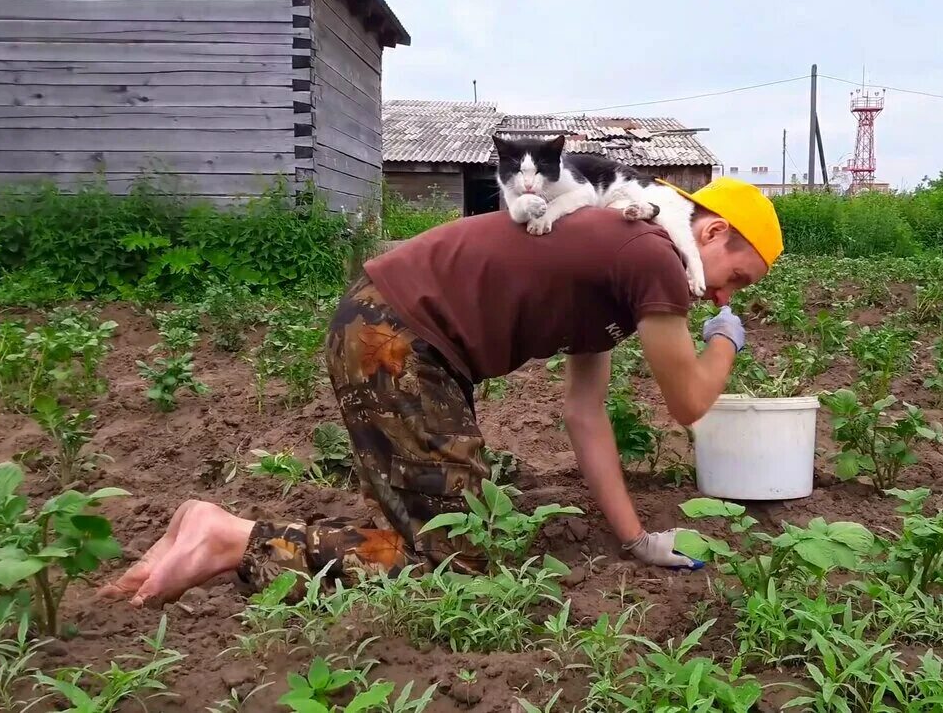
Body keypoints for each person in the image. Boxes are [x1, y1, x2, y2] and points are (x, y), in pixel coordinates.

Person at [99, 177, 783, 607]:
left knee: (435, 542)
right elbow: (689, 401)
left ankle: (238, 537)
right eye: (736, 278)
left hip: (389, 331)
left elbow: (585, 415)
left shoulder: (622, 256)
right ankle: (230, 537)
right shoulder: (652, 255)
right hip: (398, 339)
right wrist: (725, 336)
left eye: (736, 296)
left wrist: (636, 540)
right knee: (460, 565)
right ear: (713, 230)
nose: (724, 293)